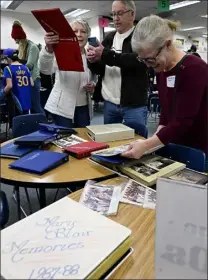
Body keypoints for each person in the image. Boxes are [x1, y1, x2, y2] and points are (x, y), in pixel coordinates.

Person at [122, 15, 208, 166]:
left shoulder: (195, 68)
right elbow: (166, 114)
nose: (148, 65)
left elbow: (183, 121)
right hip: (174, 144)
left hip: (198, 149)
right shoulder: (162, 69)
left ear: (167, 45)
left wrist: (147, 145)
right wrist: (153, 140)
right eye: (142, 60)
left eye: (150, 59)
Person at [87, 0, 148, 126]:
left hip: (133, 105)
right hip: (110, 103)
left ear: (132, 14)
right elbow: (100, 69)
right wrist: (93, 61)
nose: (115, 18)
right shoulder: (109, 38)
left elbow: (137, 61)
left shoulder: (141, 38)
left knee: (136, 142)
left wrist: (105, 54)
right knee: (112, 143)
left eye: (119, 13)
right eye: (113, 14)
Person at [39, 19, 95, 128]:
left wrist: (93, 85)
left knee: (83, 139)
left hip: (83, 106)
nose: (79, 35)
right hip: (61, 107)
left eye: (83, 31)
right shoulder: (61, 52)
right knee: (65, 140)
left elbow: (93, 77)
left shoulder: (90, 55)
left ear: (88, 35)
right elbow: (45, 69)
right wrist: (49, 50)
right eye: (75, 31)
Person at [11, 20, 45, 114]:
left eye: (17, 40)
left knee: (36, 106)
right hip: (25, 81)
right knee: (28, 106)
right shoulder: (21, 48)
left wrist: (15, 68)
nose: (16, 43)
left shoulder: (32, 47)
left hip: (33, 80)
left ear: (21, 38)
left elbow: (29, 65)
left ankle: (45, 125)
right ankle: (35, 126)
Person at [0, 49, 33, 115]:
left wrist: (1, 95)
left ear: (8, 58)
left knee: (16, 122)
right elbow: (32, 83)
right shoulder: (26, 68)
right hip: (27, 100)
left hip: (16, 102)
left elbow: (9, 86)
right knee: (26, 121)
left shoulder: (8, 68)